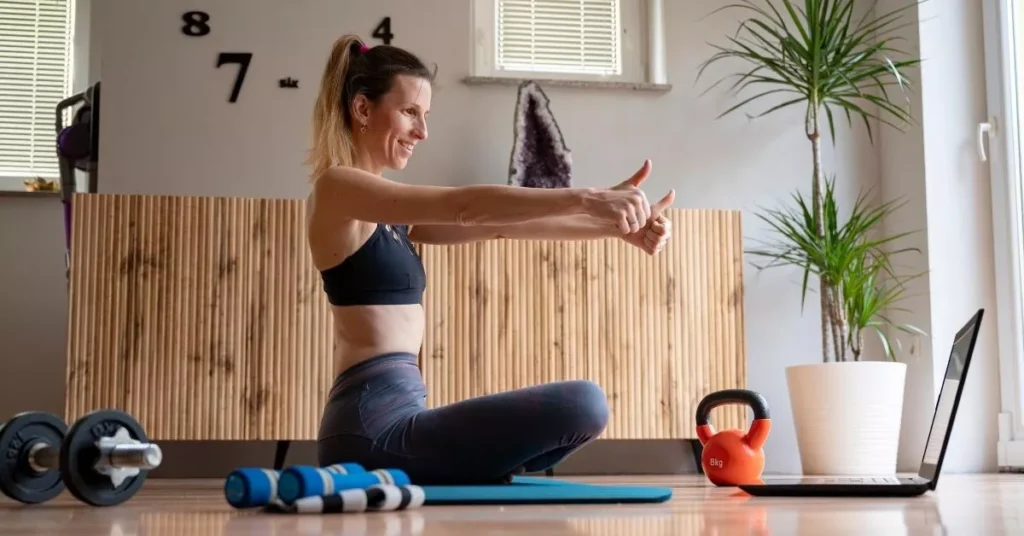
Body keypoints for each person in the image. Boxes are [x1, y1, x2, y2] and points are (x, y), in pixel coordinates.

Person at [307, 34, 676, 485]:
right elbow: (464, 206)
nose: (422, 132)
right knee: (584, 403)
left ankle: (479, 467)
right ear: (363, 109)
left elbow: (500, 225)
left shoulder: (391, 219)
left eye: (425, 116)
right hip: (370, 431)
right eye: (409, 113)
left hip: (398, 422)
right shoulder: (337, 189)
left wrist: (617, 228)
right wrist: (587, 197)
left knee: (583, 407)